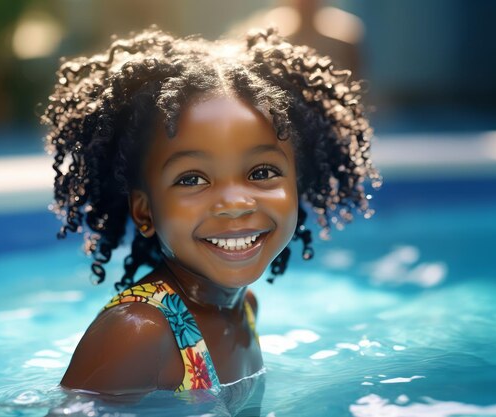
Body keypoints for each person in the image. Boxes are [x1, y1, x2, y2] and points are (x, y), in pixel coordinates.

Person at [41, 26, 380, 399]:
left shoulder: (244, 306)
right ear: (144, 211)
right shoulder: (138, 333)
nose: (235, 203)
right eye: (192, 179)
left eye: (262, 173)